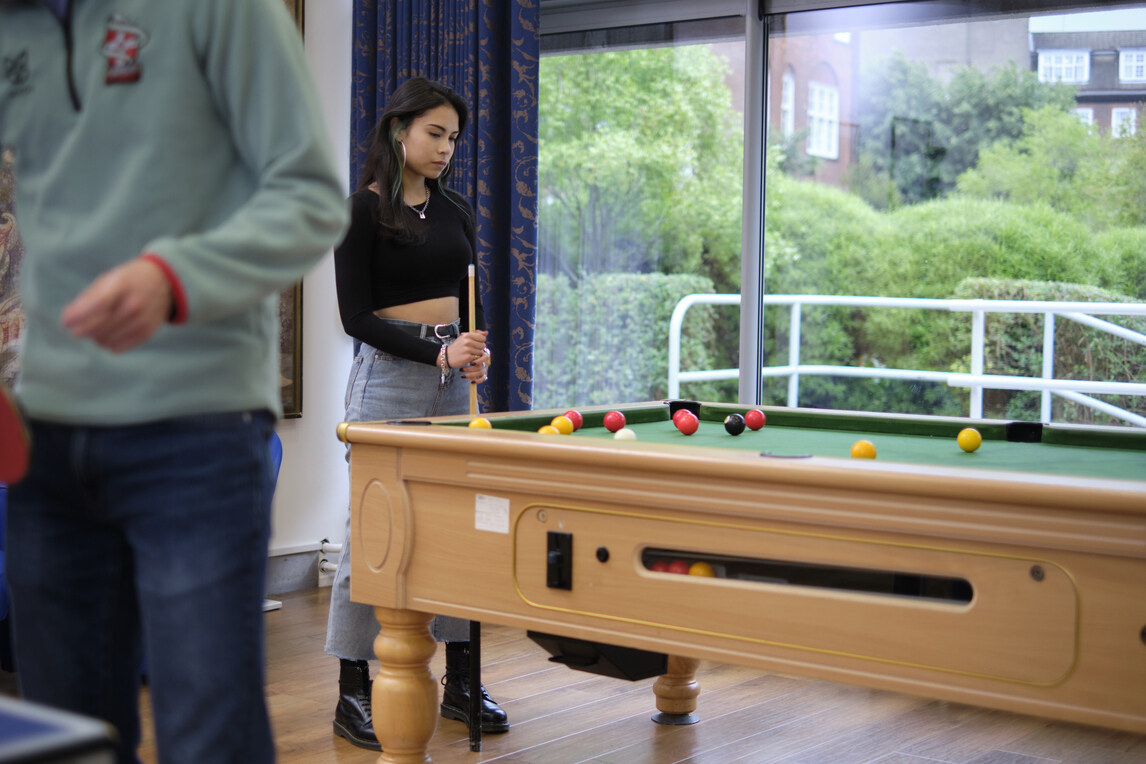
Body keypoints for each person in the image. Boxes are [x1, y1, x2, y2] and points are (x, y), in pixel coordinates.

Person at [0, 1, 348, 762]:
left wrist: (174, 277)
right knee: (61, 744)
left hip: (199, 431)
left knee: (209, 739)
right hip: (43, 441)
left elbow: (312, 194)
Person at [327, 76, 507, 751]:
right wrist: (437, 350)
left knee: (460, 530)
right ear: (400, 131)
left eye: (454, 137)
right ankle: (353, 688)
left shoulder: (455, 210)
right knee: (370, 531)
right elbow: (356, 319)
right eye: (435, 133)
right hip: (388, 386)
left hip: (452, 387)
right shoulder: (362, 212)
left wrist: (474, 351)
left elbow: (470, 301)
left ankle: (462, 677)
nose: (446, 148)